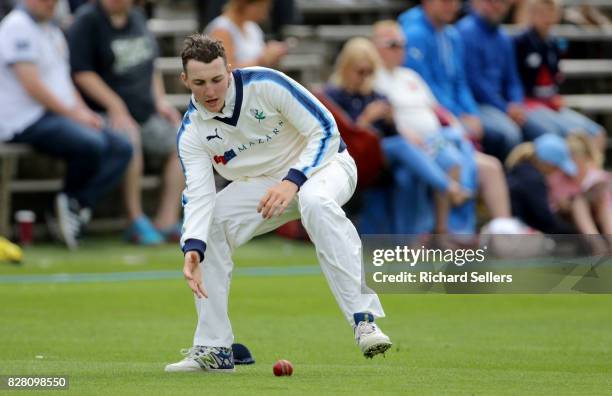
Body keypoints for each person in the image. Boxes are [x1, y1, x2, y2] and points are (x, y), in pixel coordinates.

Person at [164, 34, 392, 373]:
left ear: (229, 70)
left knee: (314, 202)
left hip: (327, 164)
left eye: (216, 79)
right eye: (199, 83)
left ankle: (364, 321)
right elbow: (198, 194)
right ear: (185, 80)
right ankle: (214, 349)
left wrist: (293, 181)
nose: (210, 91)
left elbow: (326, 131)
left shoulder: (266, 83)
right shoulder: (192, 132)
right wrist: (192, 247)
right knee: (209, 228)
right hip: (264, 184)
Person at [0, 0, 132, 249]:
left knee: (122, 146)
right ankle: (69, 205)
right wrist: (74, 115)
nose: (52, 4)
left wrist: (83, 112)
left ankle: (73, 203)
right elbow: (33, 87)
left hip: (56, 115)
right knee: (92, 143)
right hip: (23, 119)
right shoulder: (16, 26)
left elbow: (63, 82)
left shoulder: (51, 30)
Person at [372, 20, 518, 234]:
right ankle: (451, 231)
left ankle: (504, 230)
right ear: (375, 47)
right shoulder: (374, 79)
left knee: (491, 167)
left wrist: (458, 126)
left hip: (438, 140)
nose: (400, 49)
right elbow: (386, 123)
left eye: (402, 44)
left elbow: (437, 110)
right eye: (392, 44)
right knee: (452, 162)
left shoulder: (410, 76)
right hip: (415, 146)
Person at [325, 37, 472, 234]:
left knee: (406, 175)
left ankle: (412, 239)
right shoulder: (332, 96)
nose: (365, 77)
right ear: (346, 68)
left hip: (383, 160)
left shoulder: (376, 95)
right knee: (399, 144)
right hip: (353, 158)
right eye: (360, 71)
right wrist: (367, 119)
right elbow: (342, 138)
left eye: (370, 72)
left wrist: (390, 121)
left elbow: (391, 132)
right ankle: (449, 187)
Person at [68, 0, 185, 245]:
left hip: (144, 112)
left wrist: (160, 101)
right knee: (129, 138)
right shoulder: (87, 21)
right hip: (101, 113)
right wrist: (115, 105)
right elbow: (81, 72)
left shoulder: (138, 18)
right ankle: (135, 220)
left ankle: (167, 220)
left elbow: (150, 65)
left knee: (182, 141)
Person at [399, 0, 510, 161]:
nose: (452, 6)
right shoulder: (414, 35)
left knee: (498, 133)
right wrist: (458, 115)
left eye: (455, 2)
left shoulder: (452, 35)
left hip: (456, 110)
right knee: (501, 135)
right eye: (445, 1)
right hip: (432, 113)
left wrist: (472, 112)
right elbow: (424, 86)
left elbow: (460, 81)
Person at [457, 0, 556, 150]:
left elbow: (513, 79)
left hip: (505, 105)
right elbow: (474, 82)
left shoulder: (503, 38)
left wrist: (516, 103)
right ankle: (509, 173)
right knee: (510, 134)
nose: (498, 6)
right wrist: (505, 108)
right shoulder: (465, 32)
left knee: (546, 131)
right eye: (492, 2)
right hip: (478, 104)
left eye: (503, 3)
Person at [513, 0, 606, 150]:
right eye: (542, 13)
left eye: (551, 13)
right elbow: (513, 80)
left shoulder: (554, 43)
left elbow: (554, 77)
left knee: (597, 133)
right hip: (529, 105)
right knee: (560, 137)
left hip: (550, 104)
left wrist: (554, 95)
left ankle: (590, 171)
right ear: (532, 14)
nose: (547, 18)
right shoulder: (520, 42)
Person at [205, 0, 287, 69]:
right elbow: (225, 70)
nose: (265, 14)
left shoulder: (253, 27)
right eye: (262, 7)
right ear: (248, 5)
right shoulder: (221, 29)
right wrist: (262, 60)